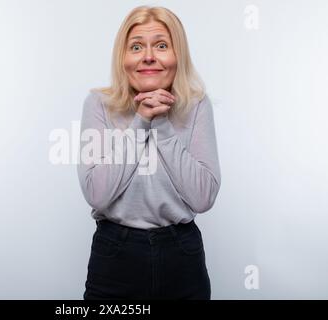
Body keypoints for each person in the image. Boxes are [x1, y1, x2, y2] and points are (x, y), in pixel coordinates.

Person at [77, 5, 221, 300]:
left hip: (182, 253)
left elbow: (203, 197)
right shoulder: (98, 104)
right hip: (115, 254)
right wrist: (141, 120)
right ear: (123, 58)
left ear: (177, 55)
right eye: (136, 46)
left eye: (162, 45)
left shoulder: (197, 106)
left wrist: (162, 125)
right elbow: (97, 193)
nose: (148, 56)